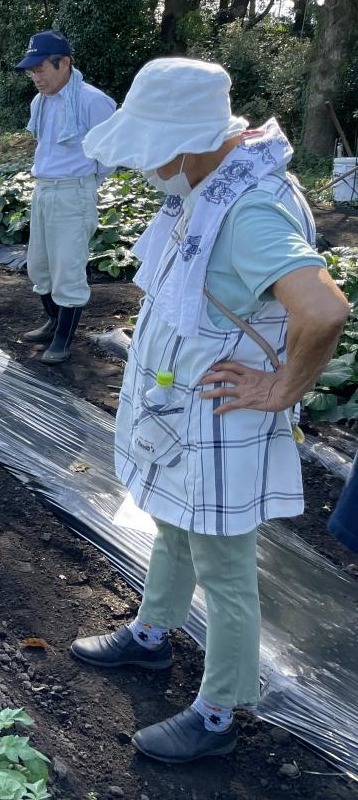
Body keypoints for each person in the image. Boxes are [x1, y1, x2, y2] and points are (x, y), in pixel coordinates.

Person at [72, 58, 350, 763]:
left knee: (224, 570)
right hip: (187, 408)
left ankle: (220, 712)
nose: (146, 167)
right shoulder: (216, 179)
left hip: (220, 416)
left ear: (192, 140)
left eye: (152, 149)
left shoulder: (250, 209)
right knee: (172, 524)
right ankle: (152, 634)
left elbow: (322, 310)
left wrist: (281, 387)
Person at [14, 30, 117, 364]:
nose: (36, 76)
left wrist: (84, 183)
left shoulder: (91, 101)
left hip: (73, 192)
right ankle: (53, 320)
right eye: (32, 70)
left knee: (67, 270)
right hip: (43, 190)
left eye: (41, 68)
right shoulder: (40, 102)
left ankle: (63, 339)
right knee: (40, 267)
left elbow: (110, 152)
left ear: (65, 64)